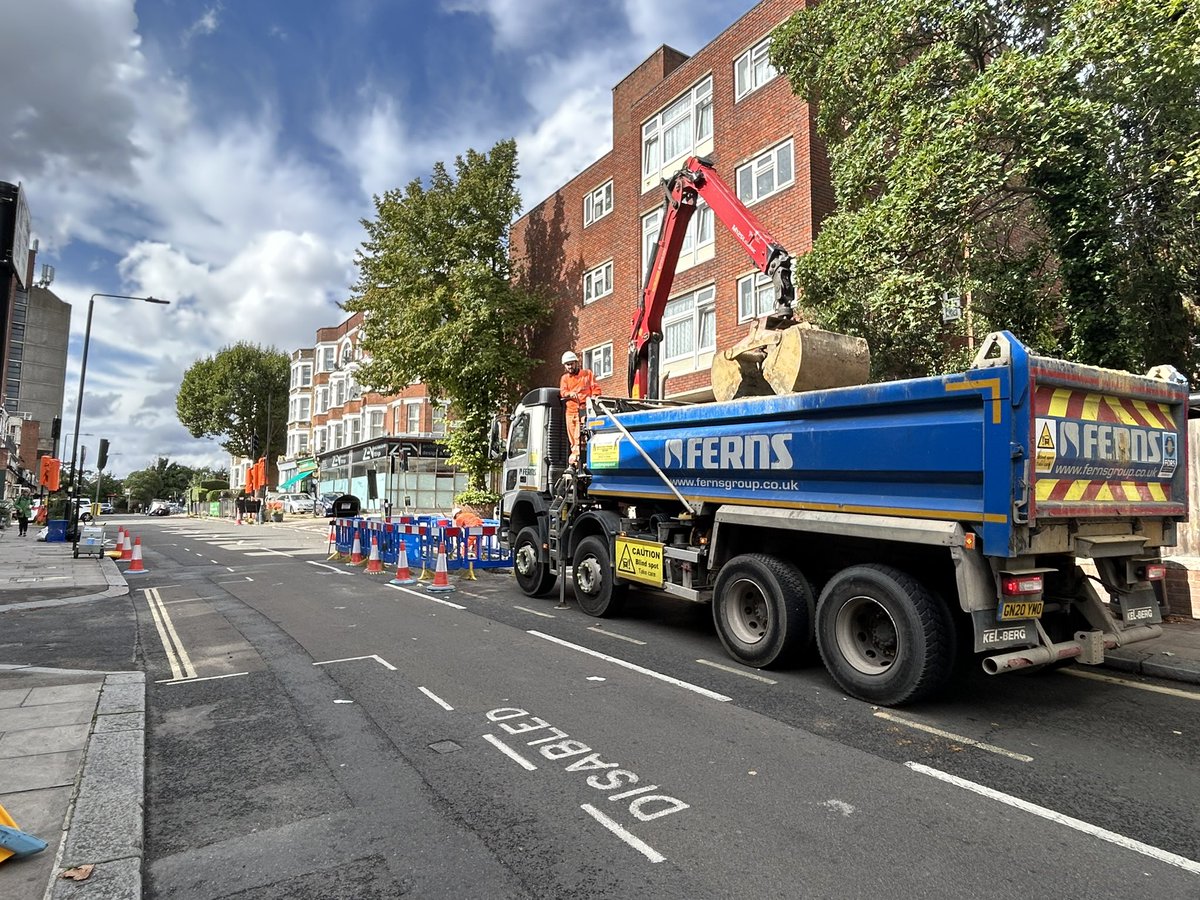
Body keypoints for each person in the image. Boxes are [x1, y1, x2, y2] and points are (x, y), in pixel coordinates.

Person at [559, 350, 599, 468]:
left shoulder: (587, 374)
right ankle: (575, 460)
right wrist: (570, 394)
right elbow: (563, 392)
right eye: (567, 365)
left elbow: (595, 389)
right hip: (571, 411)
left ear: (576, 363)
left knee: (582, 435)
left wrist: (594, 399)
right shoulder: (565, 378)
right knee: (573, 438)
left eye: (571, 363)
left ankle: (582, 458)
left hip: (585, 410)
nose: (570, 367)